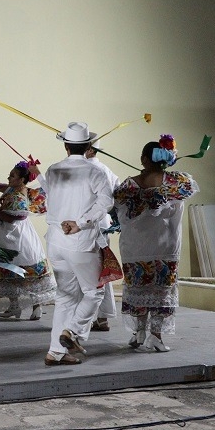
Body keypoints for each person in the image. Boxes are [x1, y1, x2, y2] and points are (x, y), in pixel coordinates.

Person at [31, 121, 113, 366]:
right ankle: (72, 332)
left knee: (66, 298)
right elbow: (106, 202)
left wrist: (38, 174)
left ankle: (55, 352)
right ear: (88, 146)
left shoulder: (54, 170)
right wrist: (81, 222)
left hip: (56, 242)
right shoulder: (95, 172)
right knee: (94, 292)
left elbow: (51, 192)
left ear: (66, 146)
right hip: (80, 242)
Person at [113, 135, 198, 352]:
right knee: (162, 291)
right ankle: (156, 336)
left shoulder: (128, 187)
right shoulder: (177, 182)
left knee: (138, 289)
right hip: (165, 246)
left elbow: (119, 212)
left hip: (135, 248)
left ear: (143, 159)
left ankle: (139, 332)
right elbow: (187, 193)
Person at [0, 161, 57, 321]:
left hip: (21, 237)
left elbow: (16, 217)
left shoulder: (22, 194)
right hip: (7, 236)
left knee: (27, 268)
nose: (9, 177)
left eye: (12, 175)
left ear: (22, 179)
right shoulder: (12, 188)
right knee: (9, 268)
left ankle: (37, 306)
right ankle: (14, 306)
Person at [84, 138, 121, 332]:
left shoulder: (82, 169)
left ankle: (87, 318)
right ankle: (103, 316)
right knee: (101, 267)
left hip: (85, 224)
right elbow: (119, 192)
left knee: (85, 270)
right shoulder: (106, 170)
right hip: (103, 224)